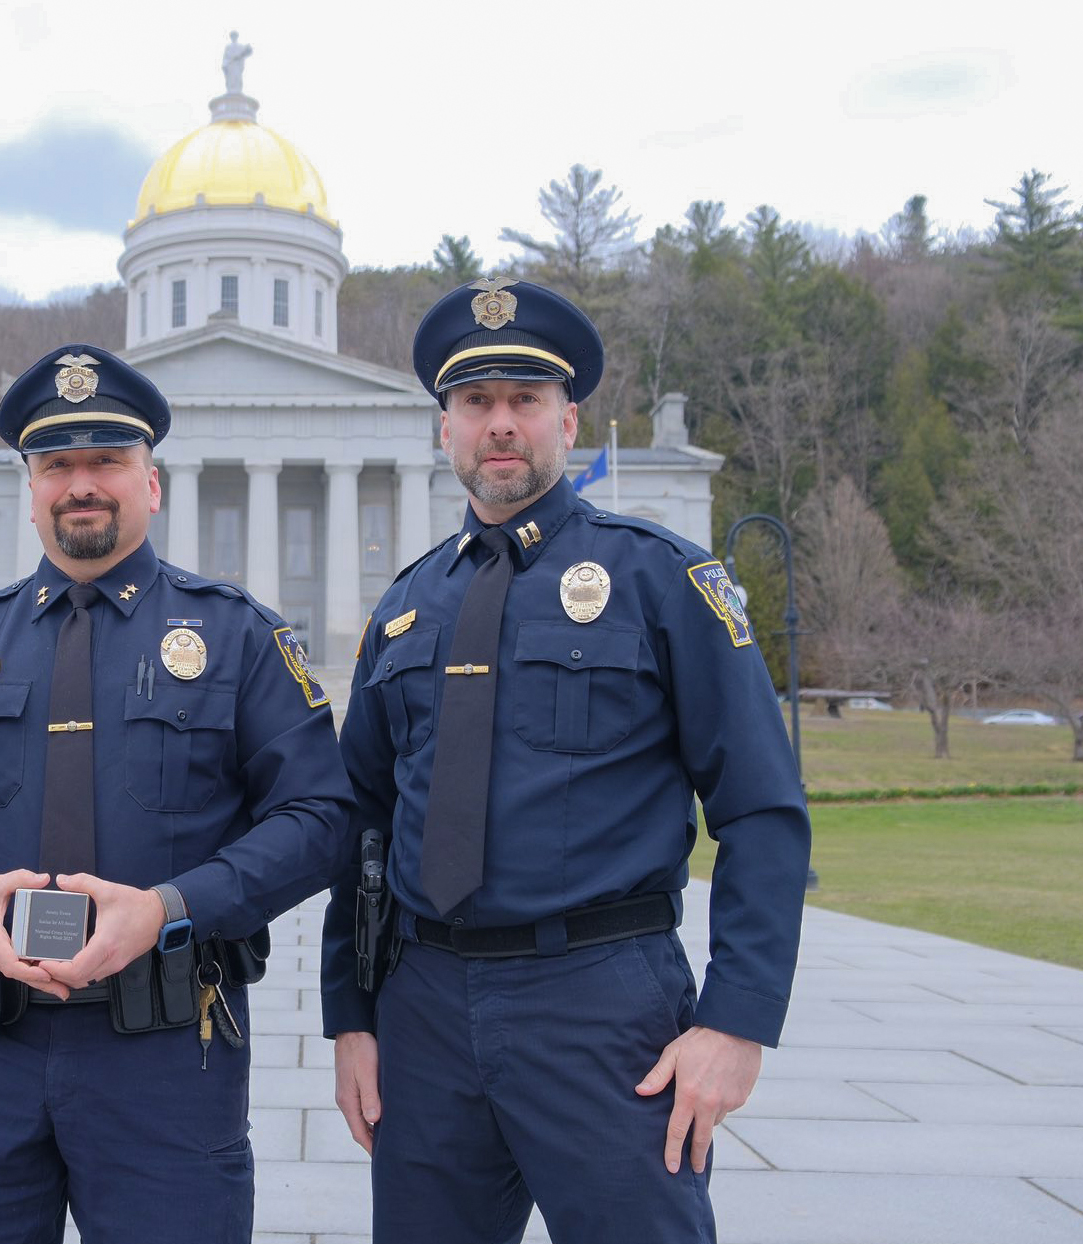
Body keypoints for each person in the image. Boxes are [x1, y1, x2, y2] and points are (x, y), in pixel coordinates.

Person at [319, 279, 811, 1242]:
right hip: (424, 1010)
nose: (500, 425)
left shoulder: (660, 579)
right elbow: (359, 827)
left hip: (601, 1005)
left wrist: (739, 1020)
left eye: (524, 402)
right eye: (475, 404)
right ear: (445, 430)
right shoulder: (408, 608)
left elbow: (761, 809)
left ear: (567, 418)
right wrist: (353, 1016)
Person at [0, 344, 354, 1244]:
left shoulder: (234, 637)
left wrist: (170, 908)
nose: (82, 484)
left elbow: (320, 817)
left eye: (107, 462)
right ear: (32, 489)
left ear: (151, 484)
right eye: (58, 465)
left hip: (162, 1055)